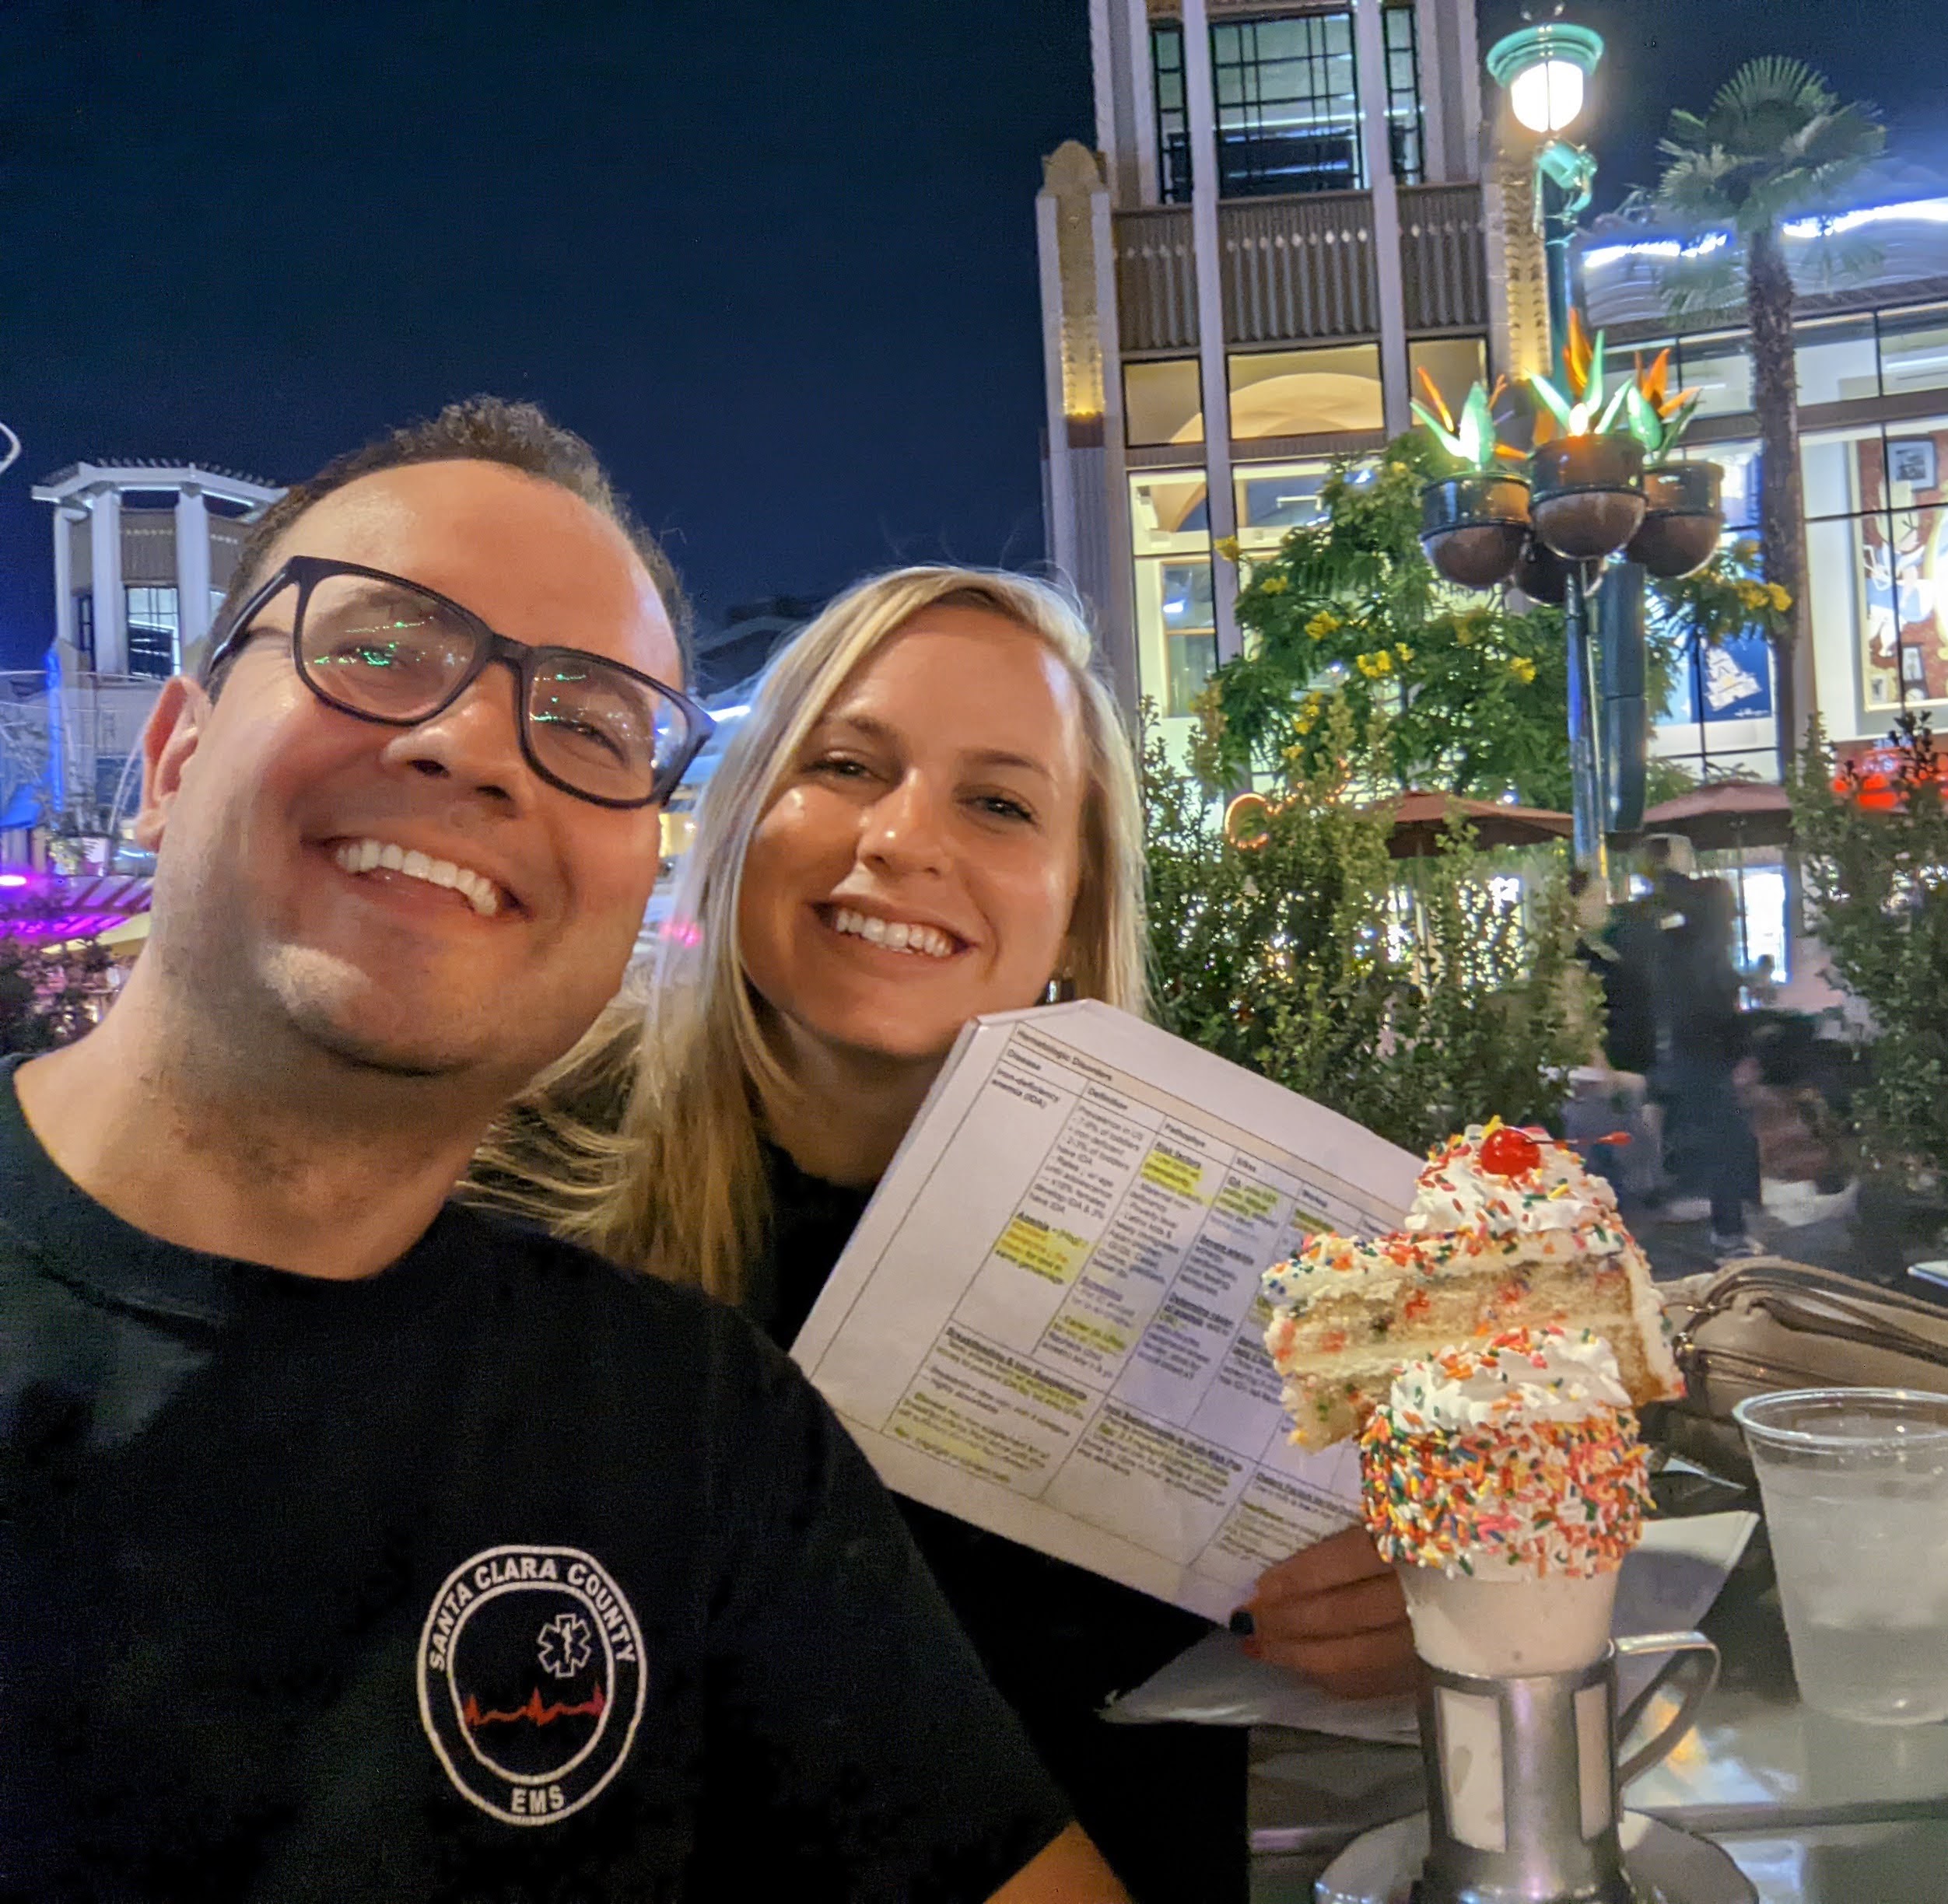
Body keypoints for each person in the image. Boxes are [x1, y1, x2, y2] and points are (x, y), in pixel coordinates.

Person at [0, 401, 1130, 1902]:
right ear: (173, 754)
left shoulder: (691, 1414)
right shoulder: (610, 1261)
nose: (472, 743)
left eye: (588, 723)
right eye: (381, 648)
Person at [473, 564, 1417, 1902]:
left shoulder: (1242, 1226)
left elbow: (1491, 1555)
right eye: (847, 764)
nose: (904, 840)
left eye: (996, 801)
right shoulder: (511, 1177)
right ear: (743, 811)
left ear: (1073, 899)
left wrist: (1422, 1603)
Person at [1652, 873, 1765, 1258]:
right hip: (1710, 1061)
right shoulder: (1711, 953)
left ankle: (1727, 1227)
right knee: (1729, 1146)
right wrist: (1740, 1052)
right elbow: (1718, 1011)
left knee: (1722, 1144)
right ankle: (1729, 1233)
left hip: (1689, 1059)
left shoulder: (1677, 947)